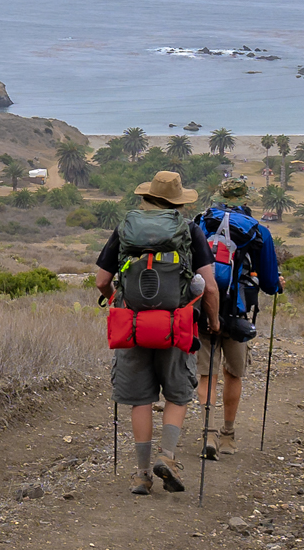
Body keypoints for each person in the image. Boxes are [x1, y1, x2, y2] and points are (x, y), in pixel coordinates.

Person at [95, 170, 220, 496]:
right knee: (177, 394)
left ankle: (141, 474)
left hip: (132, 325)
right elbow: (209, 286)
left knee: (140, 399)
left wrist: (115, 301)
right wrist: (214, 322)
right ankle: (167, 456)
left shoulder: (125, 229)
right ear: (177, 202)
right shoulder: (189, 230)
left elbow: (100, 280)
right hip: (176, 325)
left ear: (148, 197)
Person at [193, 183, 283, 457]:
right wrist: (276, 285)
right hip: (237, 311)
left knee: (207, 372)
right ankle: (228, 434)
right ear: (245, 200)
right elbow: (268, 282)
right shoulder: (258, 231)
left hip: (202, 309)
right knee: (234, 372)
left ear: (217, 197)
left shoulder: (200, 223)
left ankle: (207, 434)